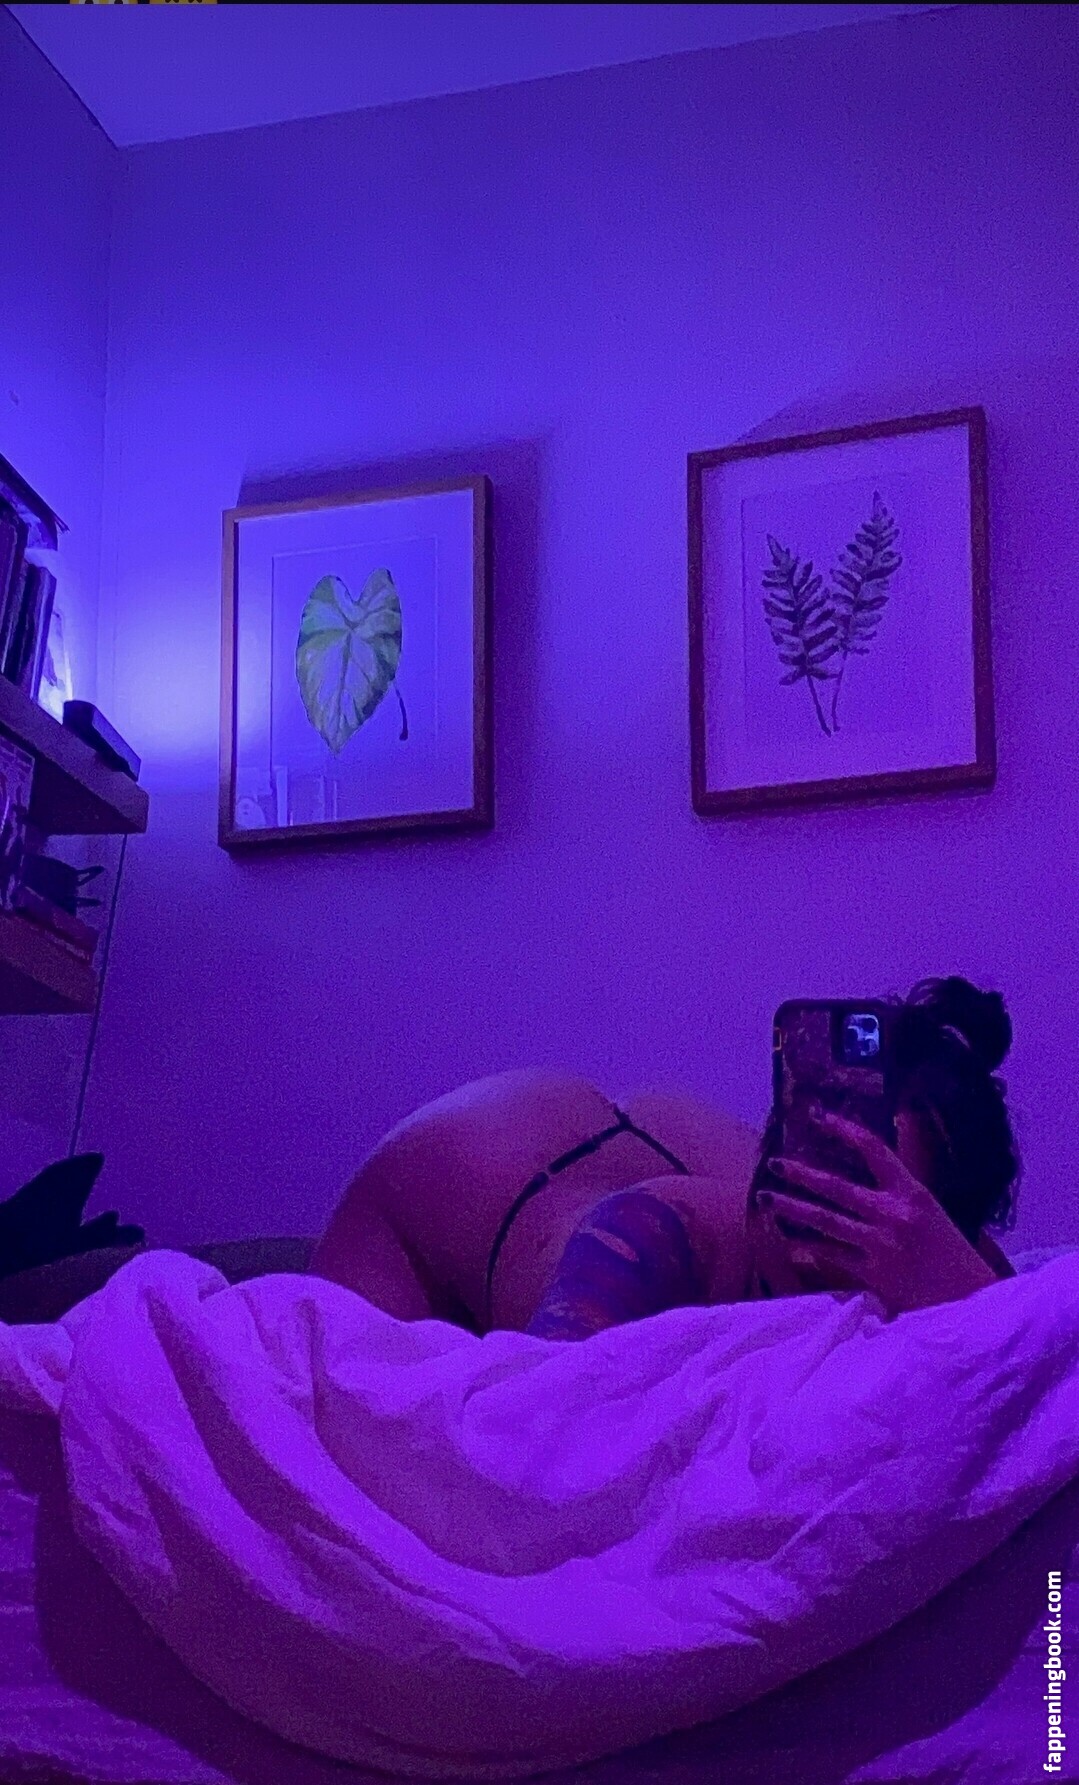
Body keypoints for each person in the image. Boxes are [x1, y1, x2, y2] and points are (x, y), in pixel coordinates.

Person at [309, 977, 1019, 1337]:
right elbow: (533, 1421)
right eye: (817, 1176)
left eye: (865, 1204)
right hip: (439, 1182)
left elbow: (1036, 1351)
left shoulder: (938, 1246)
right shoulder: (642, 1237)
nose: (818, 1226)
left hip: (644, 1134)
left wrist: (962, 1287)